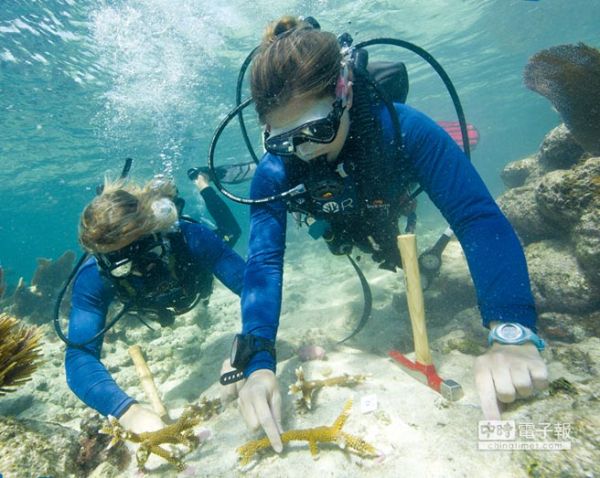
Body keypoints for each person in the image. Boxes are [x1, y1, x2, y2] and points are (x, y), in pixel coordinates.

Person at [227, 17, 548, 452]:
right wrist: (258, 363)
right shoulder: (273, 173)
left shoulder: (405, 129)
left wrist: (512, 330)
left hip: (389, 195)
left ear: (345, 92)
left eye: (317, 129)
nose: (305, 150)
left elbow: (476, 217)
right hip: (347, 221)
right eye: (285, 141)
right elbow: (264, 262)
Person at [64, 176, 245, 434]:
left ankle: (203, 183)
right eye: (122, 264)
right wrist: (127, 411)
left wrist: (250, 347)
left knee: (230, 232)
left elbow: (255, 289)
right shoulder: (93, 276)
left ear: (156, 231)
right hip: (160, 303)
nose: (141, 270)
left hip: (196, 280)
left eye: (144, 250)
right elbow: (79, 358)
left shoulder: (188, 236)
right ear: (103, 260)